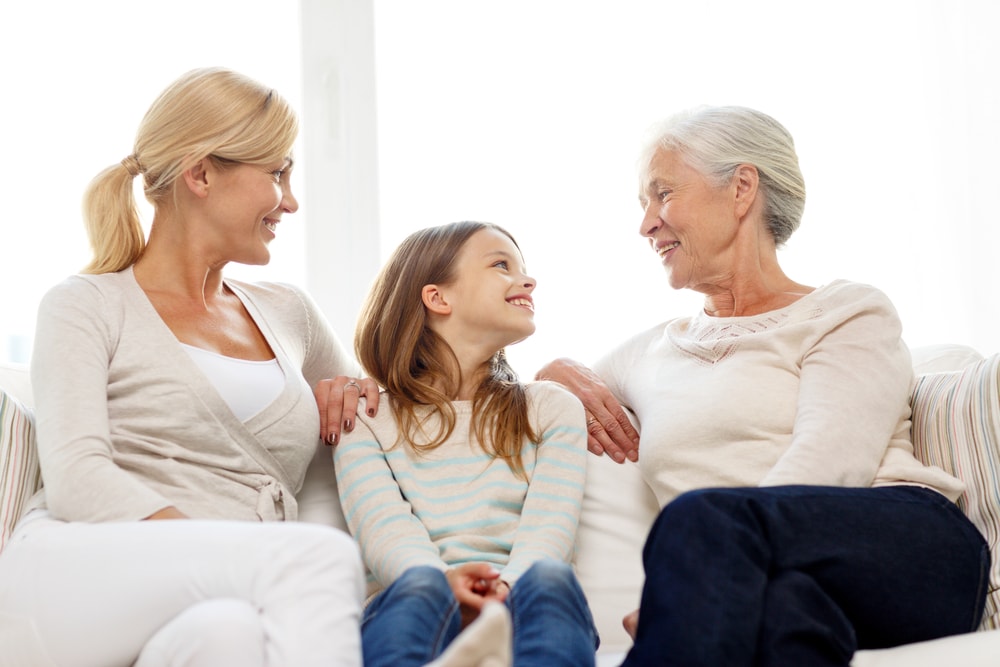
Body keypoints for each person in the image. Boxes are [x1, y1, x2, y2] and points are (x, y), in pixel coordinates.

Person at [535, 105, 989, 666]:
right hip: (773, 582)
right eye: (643, 204)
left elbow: (831, 463)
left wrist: (689, 581)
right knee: (782, 621)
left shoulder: (846, 311)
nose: (646, 223)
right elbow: (513, 400)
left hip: (905, 550)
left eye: (663, 194)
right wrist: (551, 369)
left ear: (742, 188)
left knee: (704, 516)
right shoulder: (646, 352)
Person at [0, 67, 377, 667]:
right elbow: (77, 477)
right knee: (318, 559)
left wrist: (540, 376)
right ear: (201, 174)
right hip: (72, 573)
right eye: (277, 173)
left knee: (229, 636)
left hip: (216, 594)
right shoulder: (84, 305)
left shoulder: (291, 314)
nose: (291, 200)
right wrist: (230, 551)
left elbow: (383, 418)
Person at [331, 221, 599, 667]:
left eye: (524, 268)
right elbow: (385, 532)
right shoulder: (365, 417)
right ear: (438, 298)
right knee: (420, 585)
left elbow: (549, 530)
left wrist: (504, 590)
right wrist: (447, 586)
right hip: (418, 606)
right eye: (501, 265)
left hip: (524, 603)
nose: (527, 280)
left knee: (550, 577)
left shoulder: (551, 408)